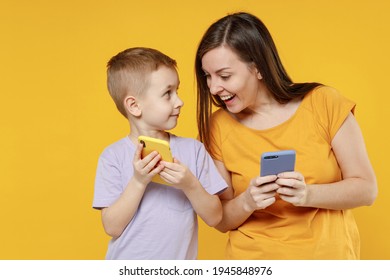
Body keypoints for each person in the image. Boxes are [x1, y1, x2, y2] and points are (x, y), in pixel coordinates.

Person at [195, 12, 377, 259]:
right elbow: (221, 220)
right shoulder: (217, 127)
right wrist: (248, 201)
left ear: (258, 68)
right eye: (208, 76)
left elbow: (366, 189)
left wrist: (307, 194)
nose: (214, 88)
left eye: (225, 76)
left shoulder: (324, 103)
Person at [93, 47, 227, 260]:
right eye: (168, 93)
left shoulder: (193, 150)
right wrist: (138, 181)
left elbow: (215, 217)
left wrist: (189, 184)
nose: (179, 101)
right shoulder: (112, 157)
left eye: (177, 91)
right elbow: (112, 226)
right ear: (134, 106)